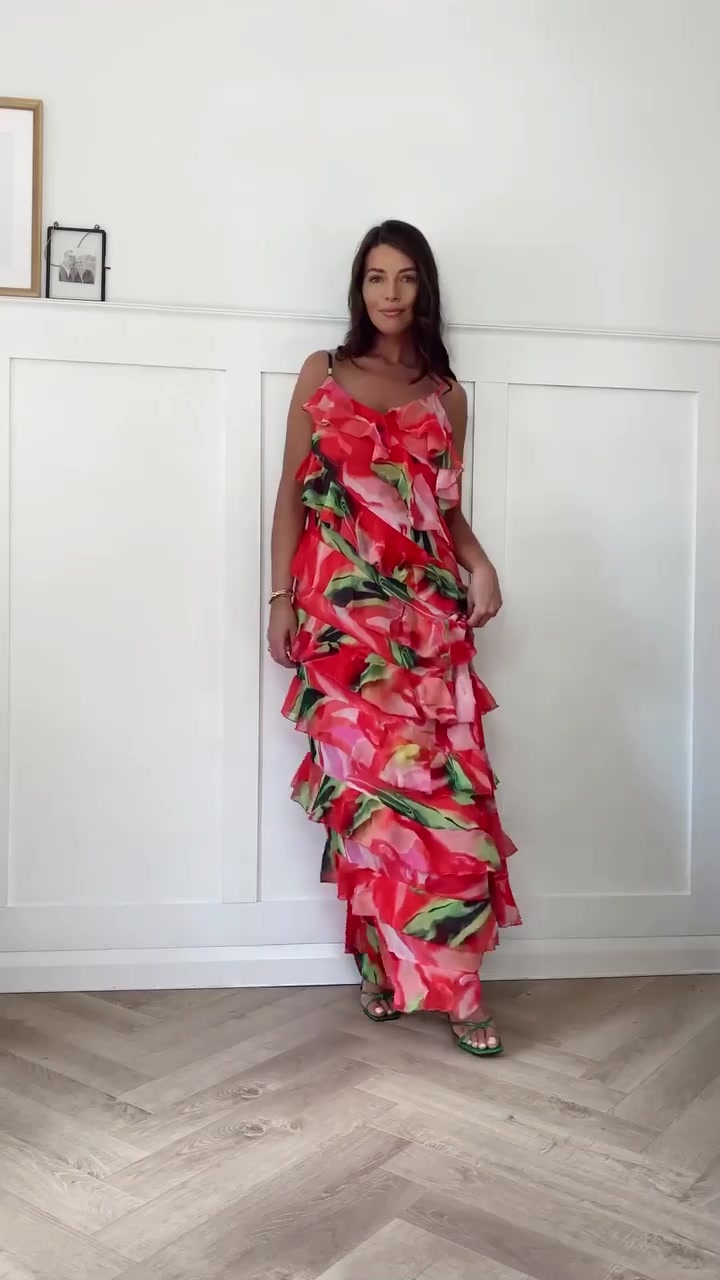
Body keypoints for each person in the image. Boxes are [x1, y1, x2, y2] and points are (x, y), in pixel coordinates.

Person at [268, 220, 520, 1057]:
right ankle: (382, 965)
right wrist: (279, 599)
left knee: (448, 807)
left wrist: (480, 565)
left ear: (424, 289)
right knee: (371, 809)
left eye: (406, 277)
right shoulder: (322, 372)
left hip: (425, 627)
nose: (390, 292)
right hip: (341, 627)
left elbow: (444, 512)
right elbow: (290, 497)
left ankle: (462, 990)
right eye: (376, 277)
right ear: (359, 287)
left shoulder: (447, 395)